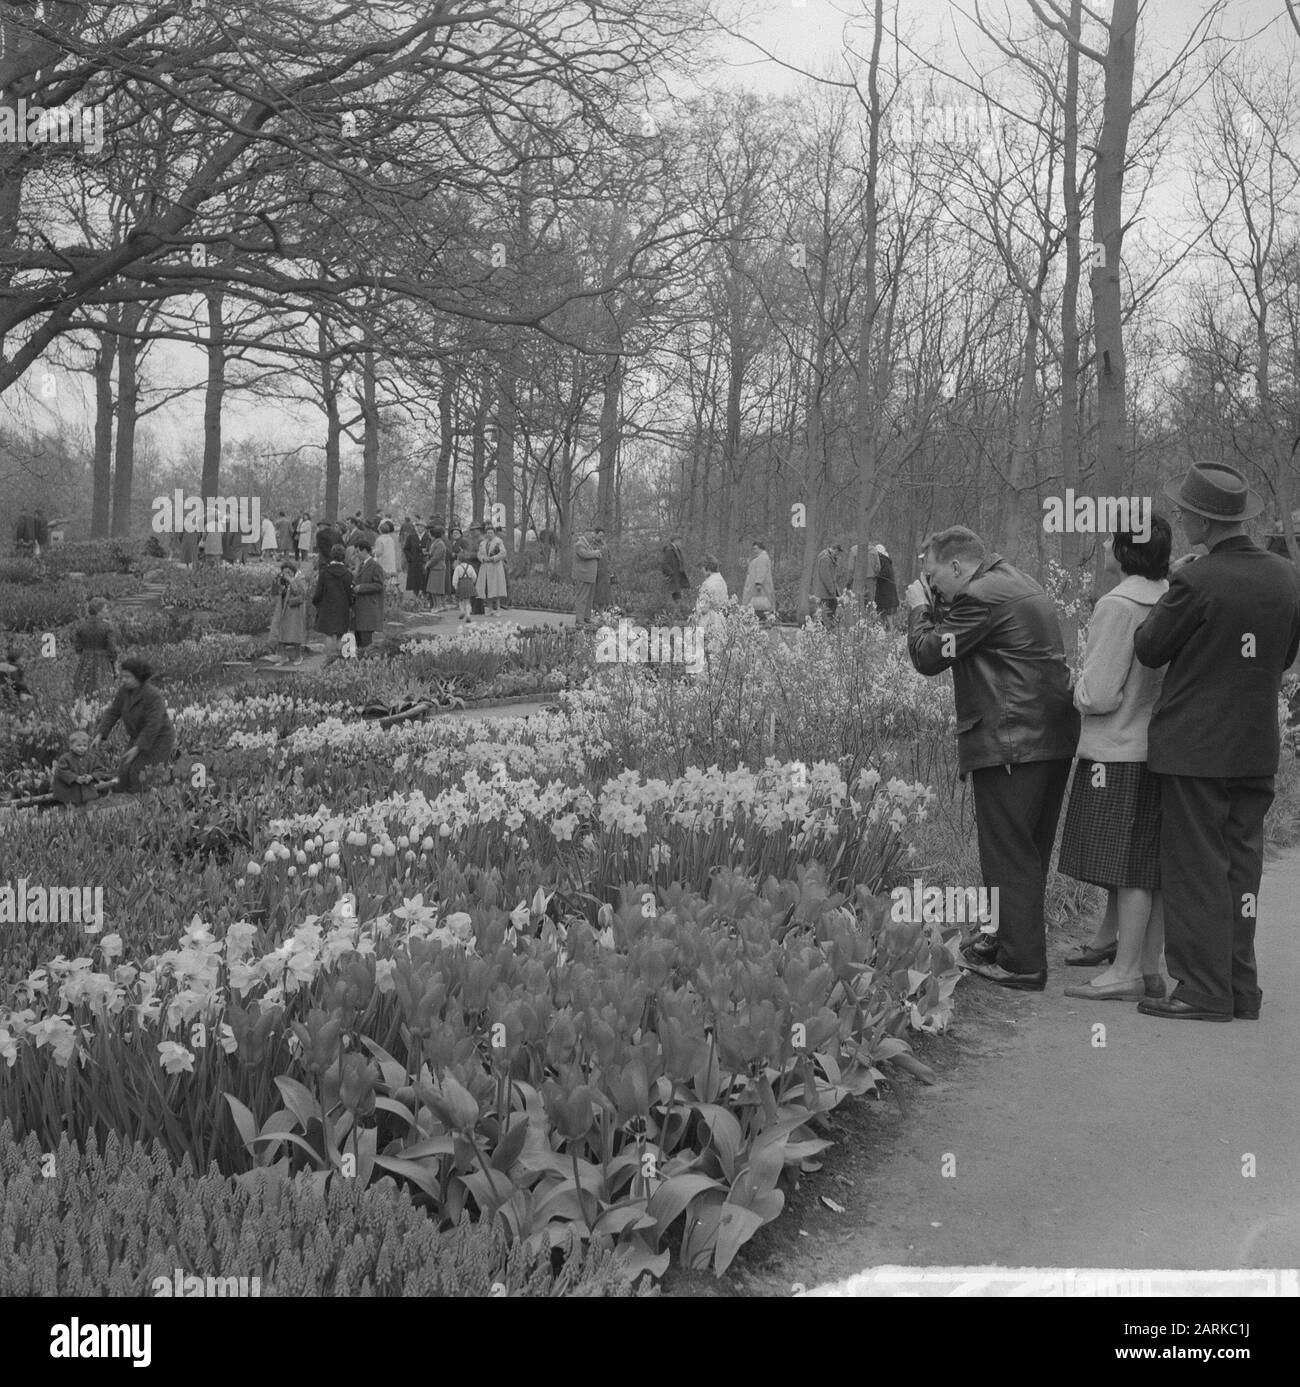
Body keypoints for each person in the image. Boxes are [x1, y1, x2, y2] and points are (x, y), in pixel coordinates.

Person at [1132, 463, 1300, 1021]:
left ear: (1205, 519)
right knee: (1240, 868)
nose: (1179, 518)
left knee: (1196, 868)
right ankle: (1239, 988)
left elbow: (1151, 647)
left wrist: (1171, 588)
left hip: (1196, 750)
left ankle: (1203, 991)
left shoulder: (1195, 580)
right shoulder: (1286, 576)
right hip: (1254, 747)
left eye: (1184, 511)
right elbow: (1285, 656)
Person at [906, 525, 1080, 991]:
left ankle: (1022, 965)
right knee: (1027, 849)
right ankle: (1006, 941)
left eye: (933, 575)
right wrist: (938, 602)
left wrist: (919, 609)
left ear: (958, 566)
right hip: (1048, 740)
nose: (933, 585)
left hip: (1011, 742)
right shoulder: (1017, 582)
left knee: (1008, 853)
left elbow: (928, 655)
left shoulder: (980, 597)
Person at [1057, 519, 1172, 1001]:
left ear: (1126, 551)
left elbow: (1101, 693)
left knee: (1123, 865)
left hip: (1115, 750)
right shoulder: (1171, 597)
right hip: (1159, 748)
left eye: (1112, 538)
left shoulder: (1117, 605)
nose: (1104, 542)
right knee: (1148, 863)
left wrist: (1074, 687)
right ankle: (1148, 967)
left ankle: (1122, 971)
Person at [92, 658, 176, 792]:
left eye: (127, 677)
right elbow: (113, 711)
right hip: (138, 736)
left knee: (139, 773)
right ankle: (124, 796)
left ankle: (145, 797)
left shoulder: (153, 696)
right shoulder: (124, 691)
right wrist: (100, 734)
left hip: (158, 737)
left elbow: (153, 725)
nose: (123, 680)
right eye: (122, 676)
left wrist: (137, 747)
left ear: (139, 677)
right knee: (124, 772)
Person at [312, 544, 354, 664]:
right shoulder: (347, 574)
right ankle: (339, 661)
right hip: (343, 606)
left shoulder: (325, 572)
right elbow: (350, 593)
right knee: (341, 634)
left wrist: (316, 602)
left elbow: (319, 592)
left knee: (329, 634)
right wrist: (350, 605)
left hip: (327, 606)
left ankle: (329, 660)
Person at [72, 596, 118, 697]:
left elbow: (78, 649)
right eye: (106, 608)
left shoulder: (81, 626)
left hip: (85, 660)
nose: (107, 611)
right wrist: (115, 668)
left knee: (84, 690)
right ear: (99, 610)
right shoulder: (108, 627)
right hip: (103, 661)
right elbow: (112, 650)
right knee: (103, 690)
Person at [267, 560, 307, 665]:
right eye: (284, 572)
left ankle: (298, 656)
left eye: (289, 572)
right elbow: (274, 592)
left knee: (295, 633)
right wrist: (276, 581)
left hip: (294, 610)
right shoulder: (281, 579)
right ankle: (283, 657)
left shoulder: (299, 579)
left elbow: (300, 592)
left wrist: (290, 580)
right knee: (280, 633)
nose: (286, 574)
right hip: (282, 610)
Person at [51, 729, 102, 807]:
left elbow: (99, 770)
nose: (82, 748)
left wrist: (91, 776)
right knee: (72, 810)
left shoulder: (92, 758)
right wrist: (75, 778)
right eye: (79, 745)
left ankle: (88, 815)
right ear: (71, 746)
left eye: (85, 745)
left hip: (87, 790)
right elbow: (61, 771)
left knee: (90, 809)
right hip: (70, 791)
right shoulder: (65, 758)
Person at [352, 536, 386, 650]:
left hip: (368, 608)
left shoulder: (375, 566)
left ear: (365, 550)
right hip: (359, 609)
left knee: (366, 641)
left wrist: (362, 588)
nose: (356, 555)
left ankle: (367, 663)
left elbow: (379, 585)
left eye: (358, 552)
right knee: (358, 638)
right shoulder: (361, 565)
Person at [694, 555, 731, 656]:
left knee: (705, 654)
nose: (701, 571)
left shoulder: (708, 584)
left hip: (708, 621)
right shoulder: (722, 582)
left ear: (707, 568)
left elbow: (704, 608)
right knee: (716, 656)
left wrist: (697, 608)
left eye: (701, 568)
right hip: (720, 620)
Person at [573, 526, 604, 628]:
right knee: (581, 598)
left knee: (589, 599)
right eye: (592, 535)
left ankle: (586, 617)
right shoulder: (580, 544)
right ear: (586, 534)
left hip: (590, 576)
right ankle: (579, 619)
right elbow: (584, 555)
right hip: (583, 575)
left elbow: (593, 554)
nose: (593, 537)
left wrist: (596, 554)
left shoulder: (588, 544)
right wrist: (595, 553)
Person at [477, 525, 507, 615]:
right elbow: (479, 554)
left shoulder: (498, 541)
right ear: (485, 534)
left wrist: (493, 558)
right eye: (488, 533)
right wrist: (482, 558)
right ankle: (489, 609)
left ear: (494, 533)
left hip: (495, 568)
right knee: (487, 589)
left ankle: (498, 609)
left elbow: (503, 553)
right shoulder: (483, 543)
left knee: (496, 588)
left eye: (491, 533)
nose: (489, 534)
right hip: (485, 568)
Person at [741, 540, 775, 620]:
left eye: (756, 549)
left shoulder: (762, 558)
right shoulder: (761, 557)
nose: (754, 551)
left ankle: (764, 619)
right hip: (755, 585)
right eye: (753, 549)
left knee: (757, 604)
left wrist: (758, 583)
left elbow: (761, 571)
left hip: (758, 587)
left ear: (761, 548)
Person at [813, 542, 842, 622]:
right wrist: (832, 591)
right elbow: (826, 577)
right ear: (834, 550)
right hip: (825, 592)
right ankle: (825, 630)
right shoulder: (825, 558)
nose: (837, 555)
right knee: (827, 613)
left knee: (829, 610)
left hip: (826, 592)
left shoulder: (827, 557)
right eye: (837, 552)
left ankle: (826, 629)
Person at [425, 525, 449, 610]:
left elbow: (436, 557)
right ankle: (435, 605)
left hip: (439, 568)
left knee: (437, 589)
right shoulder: (435, 542)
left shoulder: (440, 544)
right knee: (432, 589)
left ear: (434, 534)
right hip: (434, 568)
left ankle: (439, 606)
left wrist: (428, 564)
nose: (428, 535)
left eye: (430, 533)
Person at [403, 519, 427, 605]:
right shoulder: (411, 537)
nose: (420, 528)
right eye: (418, 526)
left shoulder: (427, 537)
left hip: (424, 563)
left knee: (424, 581)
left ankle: (424, 600)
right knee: (414, 581)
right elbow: (406, 549)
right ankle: (414, 599)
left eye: (422, 527)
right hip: (413, 563)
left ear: (424, 528)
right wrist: (410, 558)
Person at [874, 544, 899, 624]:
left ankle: (890, 633)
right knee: (886, 614)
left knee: (887, 614)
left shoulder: (882, 560)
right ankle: (888, 632)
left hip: (885, 592)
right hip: (887, 592)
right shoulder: (886, 560)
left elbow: (885, 573)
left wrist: (875, 575)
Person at [662, 534, 689, 604]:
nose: (681, 543)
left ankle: (677, 612)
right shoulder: (669, 550)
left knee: (678, 597)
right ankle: (672, 613)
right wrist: (672, 574)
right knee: (673, 598)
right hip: (673, 578)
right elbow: (665, 564)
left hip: (678, 578)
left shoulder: (677, 550)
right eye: (680, 541)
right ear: (675, 541)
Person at [452, 552, 477, 622]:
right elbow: (474, 576)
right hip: (469, 583)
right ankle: (468, 614)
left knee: (460, 599)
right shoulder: (470, 566)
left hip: (461, 584)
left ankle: (462, 611)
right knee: (468, 600)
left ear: (459, 560)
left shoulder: (458, 568)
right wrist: (472, 583)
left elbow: (455, 578)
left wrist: (455, 586)